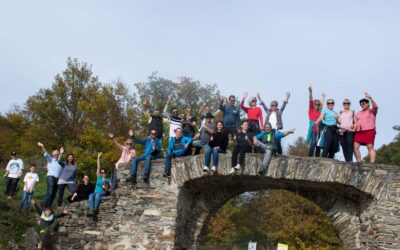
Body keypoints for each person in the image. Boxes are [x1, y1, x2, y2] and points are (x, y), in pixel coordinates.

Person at [354, 93, 378, 164]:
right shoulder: (358, 113)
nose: (362, 105)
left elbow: (375, 106)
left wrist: (370, 98)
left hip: (369, 130)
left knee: (370, 147)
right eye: (361, 104)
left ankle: (372, 163)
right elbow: (354, 122)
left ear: (368, 104)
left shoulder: (372, 111)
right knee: (355, 146)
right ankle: (359, 161)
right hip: (359, 131)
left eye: (363, 103)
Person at [38, 142, 63, 209]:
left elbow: (60, 159)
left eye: (57, 154)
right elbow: (45, 153)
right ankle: (44, 207)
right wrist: (42, 146)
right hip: (50, 177)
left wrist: (61, 153)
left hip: (57, 179)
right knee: (50, 192)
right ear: (52, 154)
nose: (56, 154)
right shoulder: (50, 159)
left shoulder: (60, 162)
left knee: (53, 195)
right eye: (54, 153)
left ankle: (48, 207)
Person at [87, 152, 111, 217]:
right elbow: (98, 167)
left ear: (106, 173)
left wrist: (105, 183)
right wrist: (98, 158)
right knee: (91, 195)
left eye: (103, 172)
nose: (102, 173)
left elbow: (109, 189)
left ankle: (95, 209)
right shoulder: (99, 177)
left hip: (102, 192)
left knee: (97, 195)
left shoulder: (108, 180)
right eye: (101, 172)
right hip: (95, 192)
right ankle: (91, 210)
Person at [307, 85, 326, 157]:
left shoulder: (320, 112)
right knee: (313, 143)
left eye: (318, 104)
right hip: (313, 129)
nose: (317, 105)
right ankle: (310, 156)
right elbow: (311, 100)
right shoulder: (311, 110)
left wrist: (323, 98)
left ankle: (317, 157)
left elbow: (321, 105)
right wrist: (310, 92)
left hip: (320, 129)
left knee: (319, 144)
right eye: (315, 104)